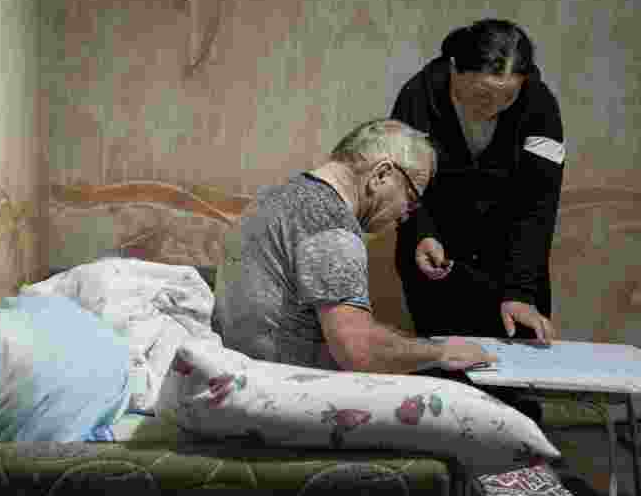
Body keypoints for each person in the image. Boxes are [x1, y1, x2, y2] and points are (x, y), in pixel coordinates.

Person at [215, 118, 497, 374]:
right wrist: (442, 351)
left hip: (244, 376)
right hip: (286, 395)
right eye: (411, 199)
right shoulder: (330, 224)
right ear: (382, 175)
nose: (405, 214)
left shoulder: (275, 196)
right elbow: (358, 349)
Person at [390, 19, 564, 346]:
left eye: (508, 97)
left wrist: (520, 291)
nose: (494, 108)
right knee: (449, 371)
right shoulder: (417, 96)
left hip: (512, 261)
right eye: (484, 94)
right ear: (456, 68)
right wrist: (421, 234)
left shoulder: (539, 104)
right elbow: (402, 180)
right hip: (436, 257)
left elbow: (539, 202)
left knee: (517, 373)